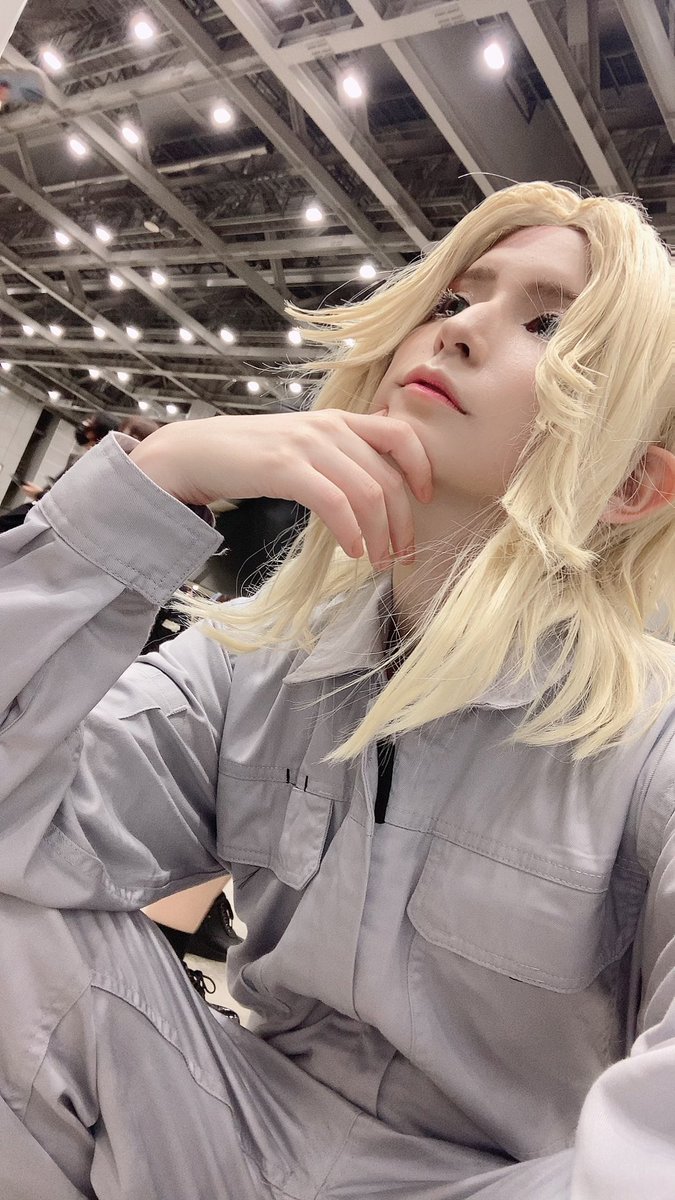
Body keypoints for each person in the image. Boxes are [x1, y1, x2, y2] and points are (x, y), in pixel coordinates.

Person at [0, 180, 673, 1200]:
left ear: (630, 486)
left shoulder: (650, 738)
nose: (458, 330)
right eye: (453, 298)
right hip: (224, 1124)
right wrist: (156, 479)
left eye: (548, 324)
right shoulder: (261, 658)